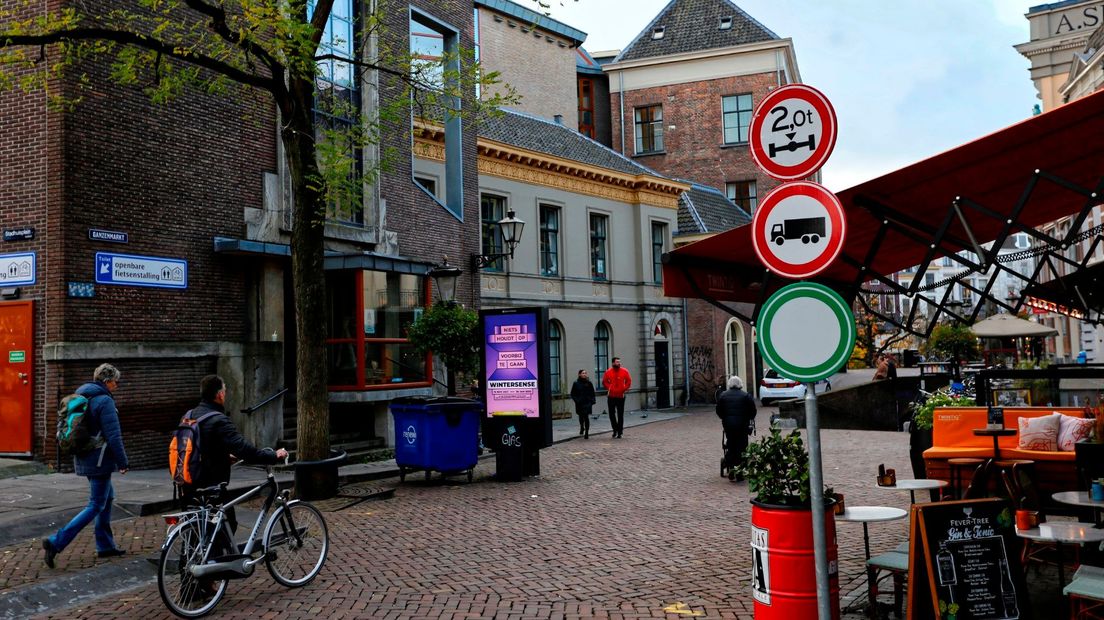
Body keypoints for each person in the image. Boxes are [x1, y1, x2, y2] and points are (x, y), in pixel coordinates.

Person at [180, 375, 288, 541]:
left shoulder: (189, 415)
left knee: (196, 530)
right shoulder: (218, 420)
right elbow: (246, 451)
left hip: (187, 482)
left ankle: (190, 563)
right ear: (220, 395)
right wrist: (273, 455)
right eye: (224, 390)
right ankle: (218, 565)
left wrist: (223, 455)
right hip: (211, 485)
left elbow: (200, 447)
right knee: (226, 525)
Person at [43, 363, 129, 568]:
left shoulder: (81, 395)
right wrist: (123, 461)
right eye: (115, 382)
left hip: (84, 456)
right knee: (96, 504)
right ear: (107, 381)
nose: (116, 386)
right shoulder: (104, 401)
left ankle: (105, 545)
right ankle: (56, 542)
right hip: (99, 460)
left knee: (106, 499)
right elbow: (114, 436)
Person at [716, 375, 756, 482]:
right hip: (742, 426)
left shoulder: (723, 396)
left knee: (731, 445)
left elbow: (719, 411)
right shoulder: (746, 396)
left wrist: (725, 418)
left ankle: (731, 468)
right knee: (742, 447)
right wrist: (749, 418)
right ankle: (740, 471)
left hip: (729, 426)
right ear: (740, 384)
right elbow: (753, 411)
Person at [601, 357, 632, 439]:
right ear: (613, 363)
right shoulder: (608, 372)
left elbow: (629, 381)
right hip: (611, 396)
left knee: (620, 414)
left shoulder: (625, 371)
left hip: (621, 396)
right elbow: (604, 382)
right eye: (617, 362)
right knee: (611, 414)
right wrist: (609, 388)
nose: (619, 363)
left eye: (619, 362)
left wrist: (624, 388)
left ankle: (620, 432)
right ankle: (615, 429)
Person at [569, 369, 596, 439]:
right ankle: (582, 427)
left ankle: (587, 432)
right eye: (583, 373)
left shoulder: (589, 383)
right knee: (581, 416)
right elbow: (572, 394)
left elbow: (592, 393)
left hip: (587, 402)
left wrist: (592, 401)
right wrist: (576, 400)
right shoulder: (576, 383)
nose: (584, 374)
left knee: (586, 417)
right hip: (579, 403)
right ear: (579, 374)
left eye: (585, 373)